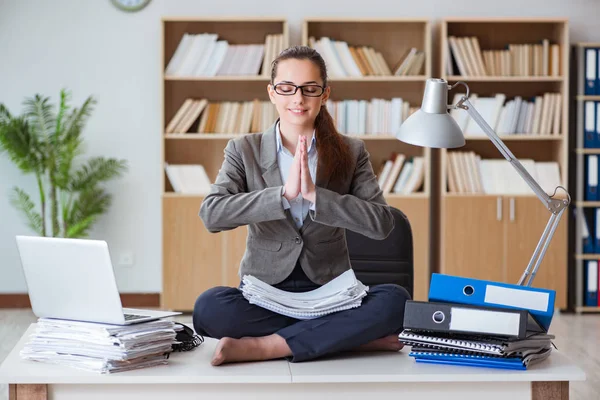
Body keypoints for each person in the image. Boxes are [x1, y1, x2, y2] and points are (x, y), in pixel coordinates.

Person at [193, 45, 410, 366]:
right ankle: (347, 340)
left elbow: (381, 224)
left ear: (324, 94)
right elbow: (212, 215)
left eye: (310, 88)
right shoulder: (244, 150)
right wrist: (282, 195)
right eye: (287, 88)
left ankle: (268, 346)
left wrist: (316, 197)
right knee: (208, 308)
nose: (298, 98)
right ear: (272, 93)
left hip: (331, 292)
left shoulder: (351, 151)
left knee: (397, 302)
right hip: (264, 293)